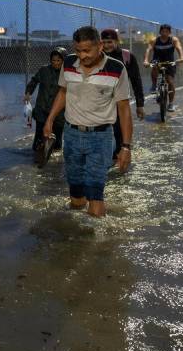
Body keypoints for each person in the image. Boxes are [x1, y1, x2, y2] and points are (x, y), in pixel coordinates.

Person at [43, 26, 133, 218]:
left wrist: (126, 146)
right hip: (72, 135)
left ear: (99, 46)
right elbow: (63, 92)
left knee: (95, 194)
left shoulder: (116, 69)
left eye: (86, 50)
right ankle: (77, 239)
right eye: (77, 50)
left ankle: (96, 243)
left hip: (101, 138)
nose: (81, 56)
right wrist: (49, 120)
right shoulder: (68, 63)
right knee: (76, 196)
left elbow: (124, 108)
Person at [100, 29, 145, 161]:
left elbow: (136, 81)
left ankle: (120, 155)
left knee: (119, 128)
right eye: (103, 42)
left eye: (110, 42)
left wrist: (140, 105)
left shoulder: (127, 57)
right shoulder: (97, 55)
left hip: (120, 100)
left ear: (117, 41)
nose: (106, 45)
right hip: (101, 100)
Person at [24, 48, 66, 164]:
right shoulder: (44, 70)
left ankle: (56, 164)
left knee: (57, 140)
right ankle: (36, 159)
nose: (56, 63)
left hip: (59, 112)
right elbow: (33, 81)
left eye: (59, 60)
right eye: (53, 60)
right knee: (39, 137)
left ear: (63, 60)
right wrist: (28, 93)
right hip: (42, 108)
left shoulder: (67, 73)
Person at [143, 24, 183, 112]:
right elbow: (148, 50)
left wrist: (181, 58)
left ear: (170, 32)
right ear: (160, 32)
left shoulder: (173, 40)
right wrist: (146, 60)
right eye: (163, 31)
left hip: (169, 62)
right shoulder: (154, 40)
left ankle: (171, 104)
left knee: (170, 82)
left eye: (167, 31)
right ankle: (154, 85)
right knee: (154, 66)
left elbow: (179, 48)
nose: (164, 33)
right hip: (157, 60)